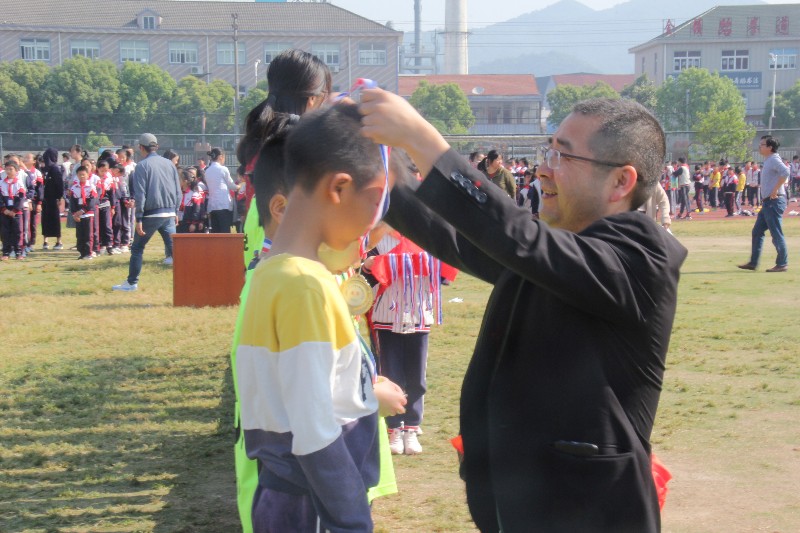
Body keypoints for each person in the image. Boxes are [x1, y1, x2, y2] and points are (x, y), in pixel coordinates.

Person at [360, 91, 687, 532]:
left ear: (621, 181)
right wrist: (390, 177)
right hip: (521, 506)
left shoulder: (641, 255)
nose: (544, 168)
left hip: (589, 513)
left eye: (564, 156)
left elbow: (520, 238)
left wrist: (422, 139)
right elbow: (466, 241)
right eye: (547, 150)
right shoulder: (559, 253)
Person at [237, 103, 393, 532]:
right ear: (340, 188)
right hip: (314, 505)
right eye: (376, 201)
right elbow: (314, 429)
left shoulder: (272, 273)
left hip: (288, 496)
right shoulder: (305, 286)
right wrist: (352, 520)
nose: (376, 222)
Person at [237, 48, 332, 267]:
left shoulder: (259, 138)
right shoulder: (304, 145)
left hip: (258, 265)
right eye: (324, 97)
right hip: (295, 268)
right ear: (312, 99)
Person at [112, 133, 181, 291]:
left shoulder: (142, 166)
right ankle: (188, 282)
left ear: (141, 147)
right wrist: (176, 210)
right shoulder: (169, 164)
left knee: (137, 248)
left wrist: (139, 217)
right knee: (176, 252)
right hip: (169, 212)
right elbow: (178, 189)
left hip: (151, 214)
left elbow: (140, 194)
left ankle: (131, 283)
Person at [738, 135, 790, 273]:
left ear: (770, 147)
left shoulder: (774, 159)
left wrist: (775, 190)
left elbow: (786, 172)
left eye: (762, 144)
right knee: (757, 231)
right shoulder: (768, 160)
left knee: (776, 233)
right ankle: (753, 262)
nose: (759, 146)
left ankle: (782, 263)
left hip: (774, 201)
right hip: (768, 203)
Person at [203, 147, 242, 233]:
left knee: (216, 232)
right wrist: (240, 186)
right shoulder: (223, 169)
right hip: (223, 205)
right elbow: (232, 186)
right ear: (221, 156)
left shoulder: (207, 171)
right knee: (225, 232)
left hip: (212, 206)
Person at [69, 166, 98, 260]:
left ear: (87, 175)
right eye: (80, 175)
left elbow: (92, 201)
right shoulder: (74, 188)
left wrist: (82, 211)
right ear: (77, 175)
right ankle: (82, 252)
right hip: (78, 214)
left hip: (87, 213)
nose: (82, 176)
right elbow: (72, 202)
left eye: (83, 174)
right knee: (80, 234)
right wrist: (74, 213)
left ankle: (88, 253)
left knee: (88, 234)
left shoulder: (91, 187)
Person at [1, 161, 27, 261]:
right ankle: (6, 252)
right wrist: (4, 209)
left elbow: (21, 198)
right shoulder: (1, 183)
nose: (8, 171)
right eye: (6, 169)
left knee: (17, 232)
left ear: (16, 171)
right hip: (4, 211)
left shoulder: (19, 184)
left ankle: (18, 252)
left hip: (16, 212)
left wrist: (15, 210)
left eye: (11, 169)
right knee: (5, 232)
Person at [40, 147, 64, 250]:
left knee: (54, 219)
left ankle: (58, 241)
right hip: (46, 198)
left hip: (53, 198)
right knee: (45, 219)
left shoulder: (55, 169)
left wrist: (59, 197)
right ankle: (45, 241)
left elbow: (60, 184)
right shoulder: (46, 168)